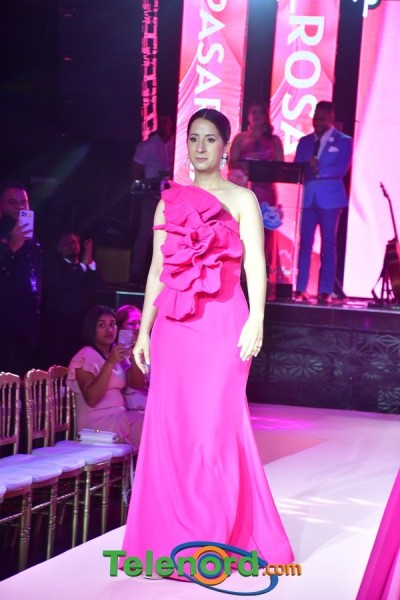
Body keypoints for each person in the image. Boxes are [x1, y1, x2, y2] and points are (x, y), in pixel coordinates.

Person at [121, 108, 293, 576]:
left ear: (225, 147)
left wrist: (257, 318)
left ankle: (214, 539)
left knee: (215, 429)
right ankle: (169, 539)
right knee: (172, 428)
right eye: (194, 138)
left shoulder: (242, 199)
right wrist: (144, 330)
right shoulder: (169, 201)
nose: (200, 147)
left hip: (223, 326)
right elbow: (157, 270)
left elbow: (256, 264)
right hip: (176, 326)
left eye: (210, 139)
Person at [293, 101, 353, 304]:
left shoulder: (343, 141)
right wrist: (307, 166)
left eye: (322, 118)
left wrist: (318, 169)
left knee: (328, 244)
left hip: (331, 200)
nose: (317, 121)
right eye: (315, 117)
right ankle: (301, 288)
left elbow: (341, 169)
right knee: (305, 244)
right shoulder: (305, 142)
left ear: (330, 118)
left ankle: (325, 290)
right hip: (309, 198)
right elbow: (297, 167)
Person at [67, 306, 144, 452]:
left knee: (152, 419)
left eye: (112, 324)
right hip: (97, 423)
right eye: (102, 325)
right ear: (92, 329)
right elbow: (92, 399)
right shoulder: (86, 354)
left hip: (119, 417)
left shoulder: (114, 353)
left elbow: (138, 384)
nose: (109, 329)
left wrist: (134, 356)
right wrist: (110, 363)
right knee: (147, 424)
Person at [228, 101, 284, 296]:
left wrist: (264, 169)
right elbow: (231, 163)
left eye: (260, 111)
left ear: (266, 116)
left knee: (265, 235)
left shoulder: (274, 140)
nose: (257, 114)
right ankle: (240, 276)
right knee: (244, 233)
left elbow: (280, 167)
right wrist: (244, 167)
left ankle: (265, 277)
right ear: (248, 116)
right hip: (245, 189)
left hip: (266, 191)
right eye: (253, 111)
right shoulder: (240, 138)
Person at [40, 230, 100, 368]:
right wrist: (83, 265)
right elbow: (64, 283)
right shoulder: (53, 266)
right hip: (59, 324)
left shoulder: (85, 267)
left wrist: (90, 263)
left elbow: (100, 287)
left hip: (81, 324)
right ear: (59, 248)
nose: (71, 246)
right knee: (58, 361)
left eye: (74, 242)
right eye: (66, 243)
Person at [0, 180, 42, 376]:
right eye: (12, 202)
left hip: (28, 322)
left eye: (23, 202)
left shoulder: (32, 238)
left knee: (20, 380)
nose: (19, 207)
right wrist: (11, 249)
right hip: (5, 324)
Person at [131, 115, 175, 285]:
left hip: (175, 199)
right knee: (144, 235)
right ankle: (136, 274)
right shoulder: (148, 145)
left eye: (166, 120)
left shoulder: (179, 143)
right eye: (161, 120)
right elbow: (135, 170)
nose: (163, 124)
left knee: (173, 237)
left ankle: (171, 276)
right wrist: (146, 186)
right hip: (153, 197)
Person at [116, 304, 148, 411]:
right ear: (120, 327)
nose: (138, 328)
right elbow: (137, 384)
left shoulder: (147, 348)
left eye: (140, 323)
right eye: (132, 323)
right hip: (132, 408)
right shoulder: (117, 352)